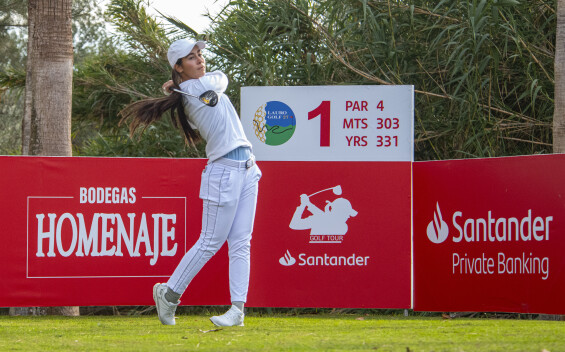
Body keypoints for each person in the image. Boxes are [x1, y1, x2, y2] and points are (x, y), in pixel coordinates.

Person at [120, 39, 261, 327]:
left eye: (200, 55)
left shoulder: (191, 87)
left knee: (241, 243)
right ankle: (169, 295)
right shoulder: (198, 88)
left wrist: (174, 85)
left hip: (247, 169)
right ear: (178, 66)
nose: (200, 60)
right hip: (224, 172)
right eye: (192, 58)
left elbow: (217, 79)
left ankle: (237, 310)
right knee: (210, 242)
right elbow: (222, 78)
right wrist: (176, 85)